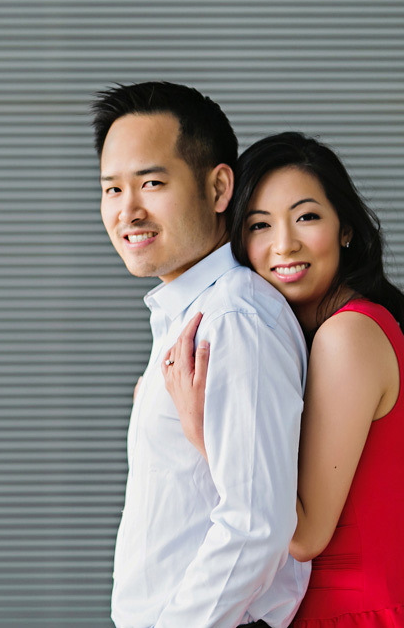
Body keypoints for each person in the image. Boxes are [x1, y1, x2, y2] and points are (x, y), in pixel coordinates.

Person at [162, 132, 404, 627]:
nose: (284, 244)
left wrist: (201, 430)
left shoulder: (348, 334)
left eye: (306, 216)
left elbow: (303, 536)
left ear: (345, 228)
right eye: (260, 225)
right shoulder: (318, 336)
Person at [92, 81, 311, 628]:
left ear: (218, 188)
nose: (128, 211)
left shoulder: (234, 319)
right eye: (112, 189)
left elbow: (256, 524)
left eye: (151, 183)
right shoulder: (188, 315)